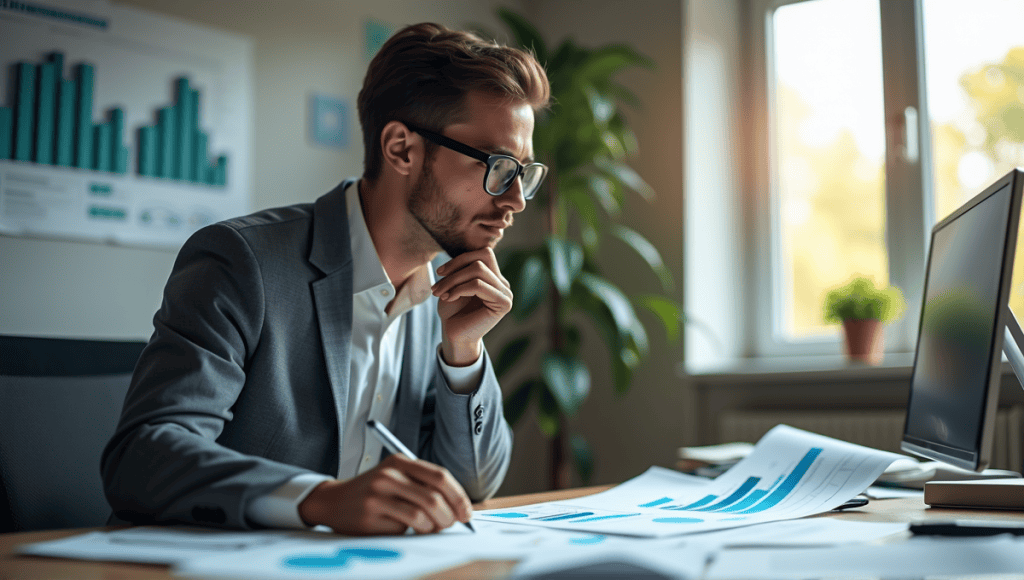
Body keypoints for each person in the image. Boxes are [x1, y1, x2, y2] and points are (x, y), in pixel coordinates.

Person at [101, 22, 550, 536]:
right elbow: (142, 456)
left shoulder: (447, 299)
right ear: (402, 149)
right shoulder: (243, 262)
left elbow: (474, 487)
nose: (515, 200)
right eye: (499, 166)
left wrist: (464, 354)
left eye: (525, 173)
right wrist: (319, 500)